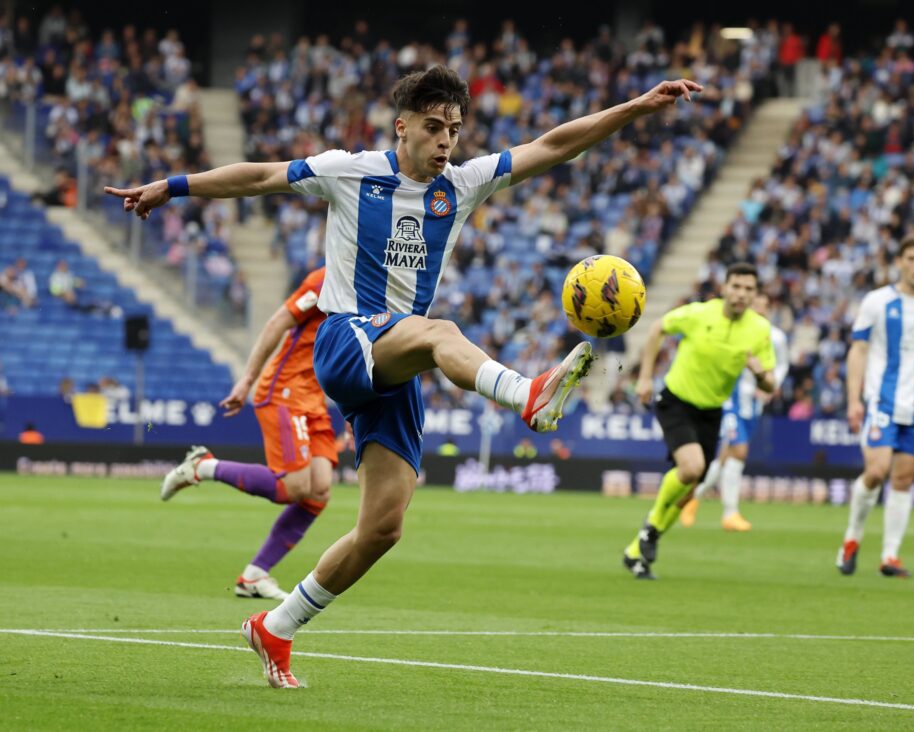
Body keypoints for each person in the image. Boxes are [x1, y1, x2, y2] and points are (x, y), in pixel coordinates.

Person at [106, 65, 703, 687]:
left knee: (382, 528)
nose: (447, 141)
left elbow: (554, 144)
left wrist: (636, 105)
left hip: (396, 364)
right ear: (403, 126)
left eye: (454, 129)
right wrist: (171, 187)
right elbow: (258, 176)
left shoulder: (463, 185)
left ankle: (275, 628)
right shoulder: (349, 171)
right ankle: (527, 394)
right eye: (433, 127)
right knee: (441, 331)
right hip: (344, 339)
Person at [160, 267, 336, 601]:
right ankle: (203, 466)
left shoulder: (372, 286)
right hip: (285, 390)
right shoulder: (326, 279)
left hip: (315, 398)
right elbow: (277, 323)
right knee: (293, 487)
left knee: (319, 490)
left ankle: (254, 576)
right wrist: (247, 379)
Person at [622, 263, 776, 579]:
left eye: (749, 289)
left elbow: (771, 384)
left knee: (691, 488)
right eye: (736, 286)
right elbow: (657, 329)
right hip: (676, 400)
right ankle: (650, 529)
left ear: (755, 294)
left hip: (711, 411)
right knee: (691, 469)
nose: (741, 294)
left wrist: (760, 373)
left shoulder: (759, 330)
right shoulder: (698, 314)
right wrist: (646, 378)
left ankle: (637, 551)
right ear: (724, 287)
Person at [836, 234, 914, 578]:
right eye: (912, 259)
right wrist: (853, 400)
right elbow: (858, 350)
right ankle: (851, 539)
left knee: (904, 479)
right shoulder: (877, 302)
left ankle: (889, 556)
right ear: (900, 262)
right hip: (882, 402)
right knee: (876, 472)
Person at [682, 292, 789, 531]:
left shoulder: (777, 337)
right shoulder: (739, 331)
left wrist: (771, 386)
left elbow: (782, 365)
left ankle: (693, 497)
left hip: (754, 404)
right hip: (730, 400)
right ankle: (730, 513)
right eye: (755, 308)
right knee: (739, 450)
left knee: (726, 456)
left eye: (763, 308)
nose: (759, 312)